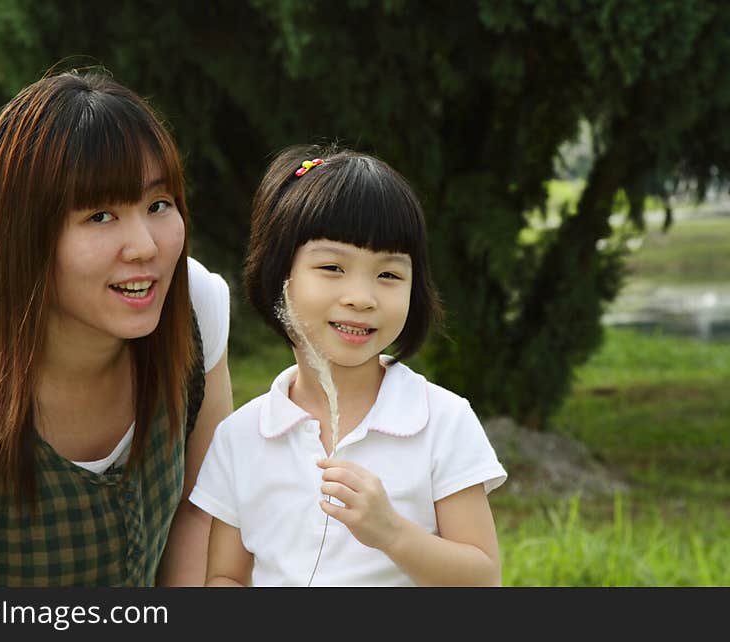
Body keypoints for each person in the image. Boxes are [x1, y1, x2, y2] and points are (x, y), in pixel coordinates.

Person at [0, 70, 233, 586]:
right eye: (100, 216)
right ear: (22, 236)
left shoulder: (191, 307)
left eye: (157, 205)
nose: (145, 246)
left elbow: (201, 509)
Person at [189, 145, 507, 586]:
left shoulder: (442, 422)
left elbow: (483, 578)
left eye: (389, 275)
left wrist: (390, 532)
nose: (362, 296)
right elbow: (226, 576)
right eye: (333, 267)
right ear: (280, 276)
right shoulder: (241, 438)